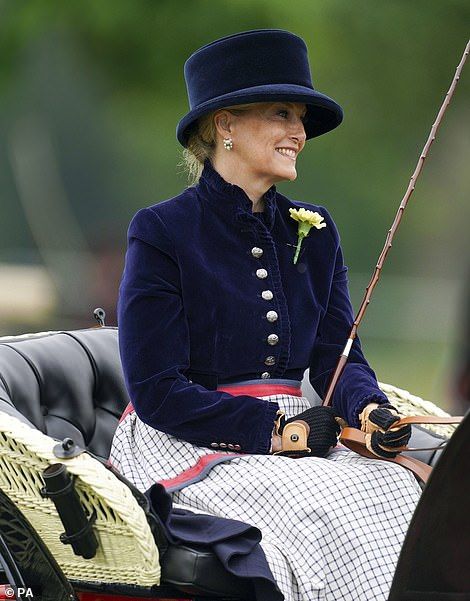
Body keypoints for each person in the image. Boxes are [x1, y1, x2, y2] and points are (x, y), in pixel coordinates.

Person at [110, 29, 420, 601]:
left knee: (405, 493)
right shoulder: (161, 231)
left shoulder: (315, 229)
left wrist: (370, 408)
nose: (299, 133)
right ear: (224, 124)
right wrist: (273, 433)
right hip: (193, 436)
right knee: (324, 509)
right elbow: (156, 389)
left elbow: (337, 357)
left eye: (300, 118)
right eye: (282, 113)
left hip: (303, 429)